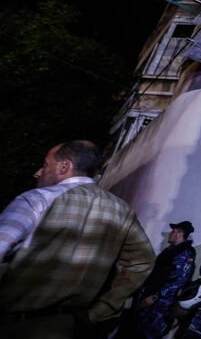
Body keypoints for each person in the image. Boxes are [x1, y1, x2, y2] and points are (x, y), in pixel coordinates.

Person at [0, 140, 155, 338]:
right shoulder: (122, 210)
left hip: (14, 325)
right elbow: (142, 262)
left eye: (46, 164)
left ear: (65, 166)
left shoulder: (37, 199)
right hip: (68, 327)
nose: (38, 172)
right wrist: (98, 313)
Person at [133, 221, 197, 339]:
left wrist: (155, 297)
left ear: (179, 233)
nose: (170, 234)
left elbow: (179, 280)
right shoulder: (171, 250)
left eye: (172, 231)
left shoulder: (186, 253)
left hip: (161, 304)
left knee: (150, 334)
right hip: (150, 297)